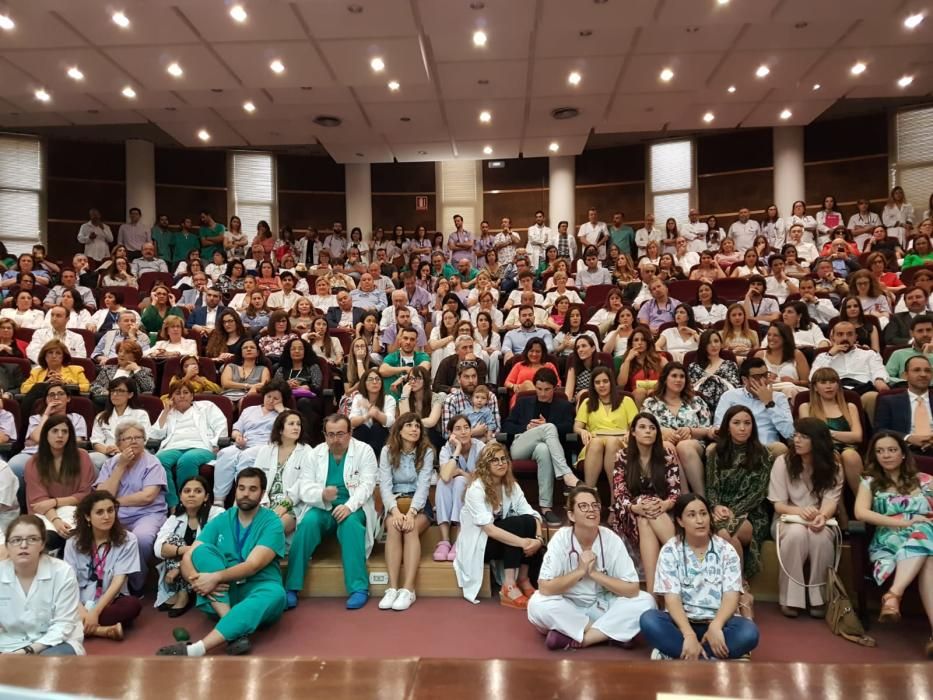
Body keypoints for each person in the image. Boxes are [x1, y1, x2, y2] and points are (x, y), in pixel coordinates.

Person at [156, 468, 286, 657]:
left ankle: (197, 648)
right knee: (201, 551)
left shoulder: (271, 522)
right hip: (223, 593)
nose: (246, 494)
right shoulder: (222, 519)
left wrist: (214, 578)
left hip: (257, 588)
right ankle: (233, 627)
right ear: (235, 490)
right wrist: (196, 580)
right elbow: (189, 556)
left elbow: (253, 566)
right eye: (241, 488)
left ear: (262, 493)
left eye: (252, 489)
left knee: (276, 594)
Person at [527, 485, 657, 651]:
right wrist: (580, 571)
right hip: (569, 605)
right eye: (583, 506)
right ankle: (612, 633)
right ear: (571, 515)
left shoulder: (611, 539)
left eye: (595, 505)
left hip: (603, 606)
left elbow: (632, 589)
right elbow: (545, 587)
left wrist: (595, 574)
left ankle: (583, 638)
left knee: (646, 601)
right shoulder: (561, 539)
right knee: (536, 604)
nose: (592, 510)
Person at [639, 493, 760, 660]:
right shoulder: (670, 550)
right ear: (680, 521)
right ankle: (711, 654)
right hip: (681, 624)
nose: (700, 520)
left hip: (719, 623)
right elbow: (671, 599)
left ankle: (683, 653)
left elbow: (731, 596)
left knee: (749, 633)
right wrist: (688, 634)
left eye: (703, 514)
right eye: (692, 515)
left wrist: (716, 626)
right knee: (649, 620)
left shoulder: (726, 550)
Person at [284, 415, 379, 610]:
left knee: (351, 525)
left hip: (353, 506)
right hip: (323, 506)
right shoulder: (315, 453)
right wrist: (322, 494)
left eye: (341, 434)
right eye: (331, 434)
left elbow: (367, 485)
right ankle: (291, 587)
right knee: (308, 524)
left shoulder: (364, 451)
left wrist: (349, 506)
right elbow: (305, 486)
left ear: (350, 433)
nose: (336, 439)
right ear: (325, 435)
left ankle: (359, 588)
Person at [854, 431, 933, 655]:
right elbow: (860, 513)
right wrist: (902, 523)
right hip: (888, 541)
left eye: (891, 450)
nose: (886, 455)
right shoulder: (869, 482)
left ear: (903, 454)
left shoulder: (926, 481)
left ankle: (893, 596)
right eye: (880, 451)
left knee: (926, 539)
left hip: (927, 536)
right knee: (927, 547)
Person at [768, 418, 843, 618]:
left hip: (820, 519)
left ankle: (819, 597)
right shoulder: (782, 462)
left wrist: (822, 515)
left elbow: (830, 501)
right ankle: (790, 599)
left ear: (817, 441)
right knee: (796, 534)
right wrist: (800, 512)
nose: (797, 441)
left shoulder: (833, 466)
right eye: (796, 436)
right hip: (786, 519)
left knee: (820, 536)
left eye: (804, 437)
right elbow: (778, 504)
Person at [454, 442, 544, 607]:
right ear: (485, 465)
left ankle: (523, 579)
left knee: (527, 521)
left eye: (503, 459)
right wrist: (524, 542)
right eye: (494, 460)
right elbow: (490, 530)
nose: (501, 463)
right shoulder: (476, 489)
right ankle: (509, 585)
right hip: (480, 544)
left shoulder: (511, 485)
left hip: (501, 540)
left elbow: (532, 514)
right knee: (515, 525)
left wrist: (538, 539)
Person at [705, 406, 772, 616]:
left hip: (752, 513)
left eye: (747, 423)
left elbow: (759, 492)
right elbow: (711, 486)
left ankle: (732, 593)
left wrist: (734, 511)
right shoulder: (715, 452)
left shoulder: (762, 454)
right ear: (727, 426)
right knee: (727, 537)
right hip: (720, 511)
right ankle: (741, 592)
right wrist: (715, 506)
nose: (742, 428)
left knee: (725, 533)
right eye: (736, 423)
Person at [609, 413, 680, 594]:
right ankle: (684, 557)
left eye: (652, 428)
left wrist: (665, 505)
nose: (648, 431)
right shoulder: (623, 456)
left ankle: (651, 591)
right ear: (633, 432)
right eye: (642, 427)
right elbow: (619, 493)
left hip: (660, 511)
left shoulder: (667, 456)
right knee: (643, 506)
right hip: (629, 511)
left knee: (645, 520)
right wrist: (635, 507)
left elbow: (675, 492)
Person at [93, 420, 167, 594]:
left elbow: (147, 496)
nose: (134, 441)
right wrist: (121, 466)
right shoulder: (111, 464)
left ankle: (136, 584)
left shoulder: (153, 463)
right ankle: (102, 584)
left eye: (138, 438)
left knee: (141, 538)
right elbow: (103, 496)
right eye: (128, 439)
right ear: (118, 444)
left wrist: (115, 502)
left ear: (144, 441)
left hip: (148, 514)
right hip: (115, 514)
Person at [0, 515, 85, 655]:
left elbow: (63, 624)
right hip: (11, 641)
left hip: (56, 643)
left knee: (43, 665)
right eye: (16, 540)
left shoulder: (62, 572)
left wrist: (27, 651)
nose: (23, 545)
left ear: (43, 544)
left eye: (32, 539)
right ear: (7, 546)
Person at [63, 491, 142, 642]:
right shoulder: (73, 543)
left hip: (109, 601)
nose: (107, 516)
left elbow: (119, 581)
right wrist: (83, 612)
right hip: (77, 603)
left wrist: (95, 613)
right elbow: (68, 583)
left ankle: (78, 627)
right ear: (87, 516)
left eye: (110, 510)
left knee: (132, 605)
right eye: (99, 512)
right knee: (53, 606)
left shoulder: (128, 539)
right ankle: (102, 631)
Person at [376, 414, 434, 612]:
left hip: (418, 504)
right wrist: (394, 511)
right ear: (399, 430)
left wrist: (411, 513)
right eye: (409, 425)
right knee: (393, 527)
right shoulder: (387, 451)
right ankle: (392, 588)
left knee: (409, 529)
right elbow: (384, 485)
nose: (414, 429)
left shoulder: (426, 452)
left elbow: (424, 486)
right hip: (394, 501)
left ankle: (408, 589)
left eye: (417, 426)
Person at [153, 475, 224, 617]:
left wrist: (179, 567)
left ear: (206, 497)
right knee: (173, 539)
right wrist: (181, 559)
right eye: (187, 491)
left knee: (200, 549)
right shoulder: (174, 519)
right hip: (182, 569)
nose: (191, 494)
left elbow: (211, 547)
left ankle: (184, 594)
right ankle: (183, 590)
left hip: (207, 567)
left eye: (198, 491)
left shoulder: (217, 514)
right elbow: (159, 548)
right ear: (180, 496)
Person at [212, 379, 290, 507]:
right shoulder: (249, 410)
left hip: (267, 446)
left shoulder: (285, 414)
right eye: (268, 396)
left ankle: (239, 500)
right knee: (225, 453)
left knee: (246, 455)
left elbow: (290, 431)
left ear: (282, 400)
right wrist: (238, 437)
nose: (271, 400)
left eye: (276, 398)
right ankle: (218, 501)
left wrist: (281, 411)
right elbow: (236, 430)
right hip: (244, 443)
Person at [151, 381, 228, 509]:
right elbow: (155, 435)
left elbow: (221, 425)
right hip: (173, 447)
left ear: (192, 396)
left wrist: (215, 444)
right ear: (172, 398)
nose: (182, 396)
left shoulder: (206, 407)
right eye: (177, 393)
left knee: (187, 460)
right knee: (158, 460)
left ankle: (187, 505)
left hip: (200, 446)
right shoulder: (168, 412)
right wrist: (165, 412)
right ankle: (173, 505)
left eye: (186, 393)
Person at [24, 414, 96, 551]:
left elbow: (85, 493)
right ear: (46, 434)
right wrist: (56, 520)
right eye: (55, 431)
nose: (60, 435)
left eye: (65, 431)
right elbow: (39, 501)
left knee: (73, 532)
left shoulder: (82, 456)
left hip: (73, 508)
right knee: (46, 537)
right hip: (45, 513)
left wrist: (55, 501)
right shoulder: (33, 462)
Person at [643, 363, 714, 495]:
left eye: (682, 376)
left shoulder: (696, 401)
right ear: (665, 379)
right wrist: (662, 432)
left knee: (684, 446)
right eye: (674, 376)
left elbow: (709, 430)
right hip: (664, 443)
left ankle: (702, 498)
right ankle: (684, 498)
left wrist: (691, 431)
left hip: (694, 444)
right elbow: (643, 428)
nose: (678, 380)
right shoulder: (651, 403)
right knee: (666, 446)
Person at [799, 368, 864, 494]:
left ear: (838, 385)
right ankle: (840, 509)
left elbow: (857, 436)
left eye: (832, 382)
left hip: (849, 450)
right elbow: (809, 436)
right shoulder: (806, 407)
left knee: (849, 455)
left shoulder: (850, 407)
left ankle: (862, 502)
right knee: (833, 456)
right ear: (815, 387)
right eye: (823, 382)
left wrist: (828, 433)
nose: (829, 386)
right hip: (821, 450)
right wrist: (843, 436)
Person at [810, 321, 889, 419]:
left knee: (872, 397)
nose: (845, 338)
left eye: (849, 334)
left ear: (856, 337)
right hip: (836, 392)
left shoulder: (869, 354)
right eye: (840, 334)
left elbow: (878, 370)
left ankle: (877, 433)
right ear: (832, 337)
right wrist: (830, 355)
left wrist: (879, 380)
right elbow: (813, 378)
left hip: (863, 390)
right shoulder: (823, 357)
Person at [434, 414, 485, 562]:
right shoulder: (446, 449)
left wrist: (461, 472)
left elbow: (482, 480)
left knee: (459, 480)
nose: (463, 432)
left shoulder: (480, 447)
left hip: (479, 495)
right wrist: (457, 450)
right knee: (443, 484)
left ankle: (459, 538)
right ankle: (445, 541)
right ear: (451, 434)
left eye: (466, 428)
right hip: (455, 492)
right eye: (458, 429)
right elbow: (444, 476)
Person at [89, 376, 152, 470]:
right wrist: (106, 450)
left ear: (130, 394)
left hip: (133, 454)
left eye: (120, 391)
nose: (115, 394)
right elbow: (96, 441)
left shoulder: (140, 415)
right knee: (89, 459)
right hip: (108, 455)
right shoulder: (101, 417)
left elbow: (143, 439)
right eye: (112, 391)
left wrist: (122, 450)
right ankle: (100, 484)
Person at [617, 325, 667, 405]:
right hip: (637, 396)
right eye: (636, 340)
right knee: (640, 392)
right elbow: (621, 384)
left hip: (658, 393)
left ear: (648, 342)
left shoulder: (659, 359)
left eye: (643, 340)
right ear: (631, 343)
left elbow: (671, 375)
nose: (639, 343)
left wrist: (656, 388)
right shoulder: (627, 361)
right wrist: (628, 360)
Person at [21, 339, 91, 396]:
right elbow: (24, 389)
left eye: (58, 353)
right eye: (50, 352)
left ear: (63, 357)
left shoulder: (76, 370)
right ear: (44, 356)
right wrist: (44, 384)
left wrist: (65, 385)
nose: (54, 356)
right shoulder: (36, 372)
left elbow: (87, 386)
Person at [220, 339, 271, 405]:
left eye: (252, 347)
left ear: (258, 353)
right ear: (241, 352)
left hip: (250, 397)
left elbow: (264, 385)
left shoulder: (263, 369)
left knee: (244, 401)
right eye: (245, 348)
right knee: (227, 403)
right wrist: (249, 386)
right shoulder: (231, 366)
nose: (248, 349)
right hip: (228, 395)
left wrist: (254, 388)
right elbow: (226, 383)